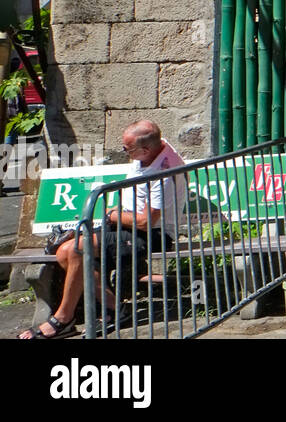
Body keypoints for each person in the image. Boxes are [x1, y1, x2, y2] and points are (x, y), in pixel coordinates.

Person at [19, 120, 185, 339]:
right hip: (125, 225)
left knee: (78, 248)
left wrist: (112, 215)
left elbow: (146, 221)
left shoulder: (164, 173)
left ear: (145, 149)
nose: (125, 152)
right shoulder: (151, 149)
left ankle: (62, 318)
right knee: (64, 251)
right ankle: (116, 308)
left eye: (128, 149)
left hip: (150, 234)